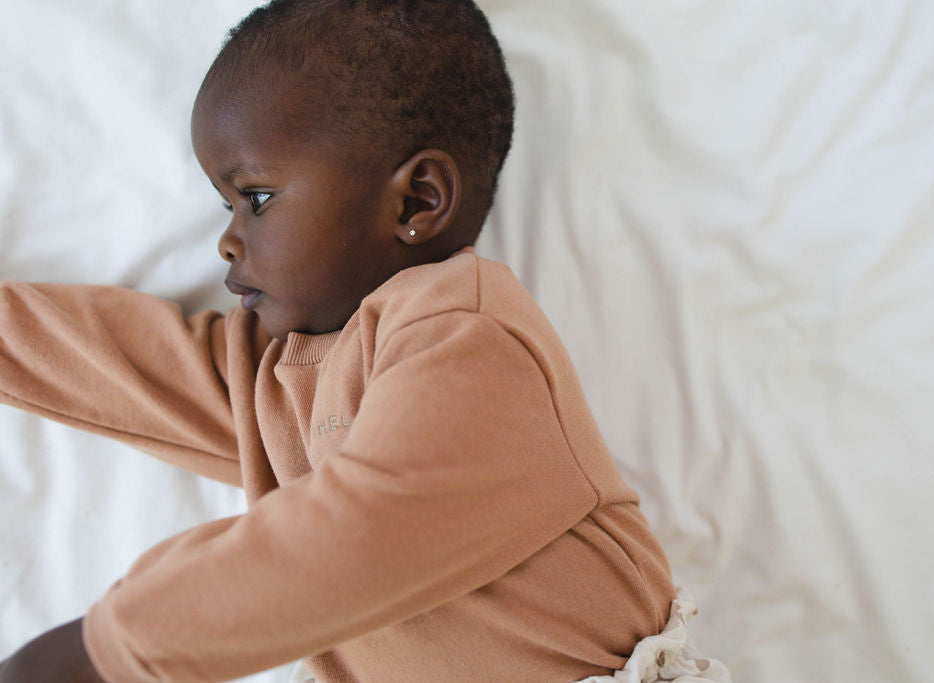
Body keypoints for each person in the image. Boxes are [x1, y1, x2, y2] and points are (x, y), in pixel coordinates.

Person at [0, 1, 708, 681]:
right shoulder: (282, 377)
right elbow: (113, 364)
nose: (227, 237)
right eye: (226, 205)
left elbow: (358, 537)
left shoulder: (471, 334)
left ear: (417, 200)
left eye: (258, 197)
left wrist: (100, 649)